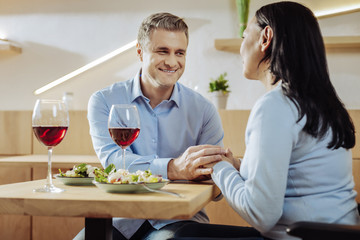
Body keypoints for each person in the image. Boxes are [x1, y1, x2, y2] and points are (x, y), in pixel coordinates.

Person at [172, 1, 359, 240]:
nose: (241, 48)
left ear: (265, 37)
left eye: (244, 36)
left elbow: (260, 214)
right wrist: (238, 166)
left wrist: (217, 166)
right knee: (186, 232)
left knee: (177, 237)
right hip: (337, 232)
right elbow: (296, 173)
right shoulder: (323, 104)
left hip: (299, 235)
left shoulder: (276, 106)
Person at [75, 12, 225, 240]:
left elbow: (216, 185)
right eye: (162, 51)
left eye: (180, 53)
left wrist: (220, 170)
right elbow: (113, 163)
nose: (172, 62)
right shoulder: (104, 100)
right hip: (119, 219)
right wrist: (174, 168)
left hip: (178, 220)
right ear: (139, 52)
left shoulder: (203, 110)